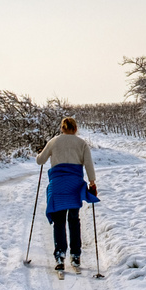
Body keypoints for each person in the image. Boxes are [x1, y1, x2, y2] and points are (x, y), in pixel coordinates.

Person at [36, 117, 98, 274]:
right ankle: (75, 255)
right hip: (74, 185)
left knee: (59, 220)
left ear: (62, 128)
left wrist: (39, 154)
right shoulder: (81, 143)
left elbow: (40, 161)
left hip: (57, 185)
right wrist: (92, 183)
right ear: (75, 128)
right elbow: (89, 164)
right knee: (73, 219)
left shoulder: (54, 141)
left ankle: (60, 255)